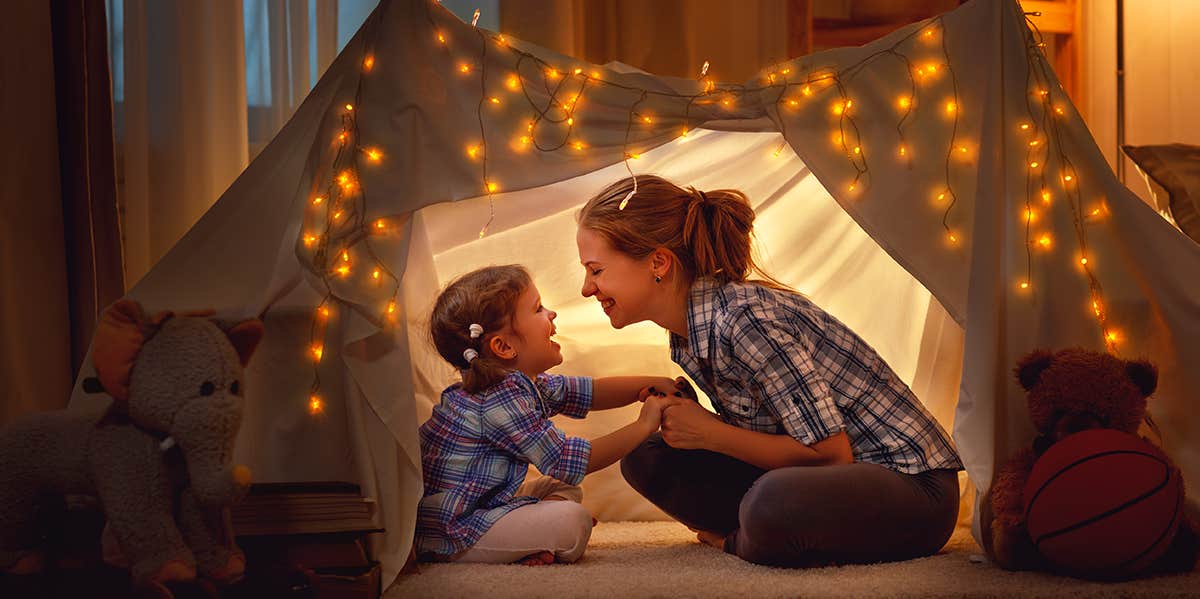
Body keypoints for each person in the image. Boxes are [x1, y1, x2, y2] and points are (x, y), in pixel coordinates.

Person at [575, 175, 963, 567]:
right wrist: (698, 425)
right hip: (825, 484)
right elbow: (775, 435)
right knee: (646, 456)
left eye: (596, 270)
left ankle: (743, 541)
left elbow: (830, 456)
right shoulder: (689, 334)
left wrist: (710, 433)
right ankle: (764, 532)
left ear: (658, 263)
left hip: (911, 491)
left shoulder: (745, 321)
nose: (587, 289)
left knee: (772, 502)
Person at [416, 264, 682, 565]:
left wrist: (647, 385)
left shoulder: (520, 384)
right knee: (572, 522)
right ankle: (535, 537)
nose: (551, 314)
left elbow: (589, 392)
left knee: (561, 488)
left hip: (483, 501)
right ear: (503, 346)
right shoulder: (496, 401)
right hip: (455, 528)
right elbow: (568, 460)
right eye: (538, 308)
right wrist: (645, 425)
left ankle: (531, 539)